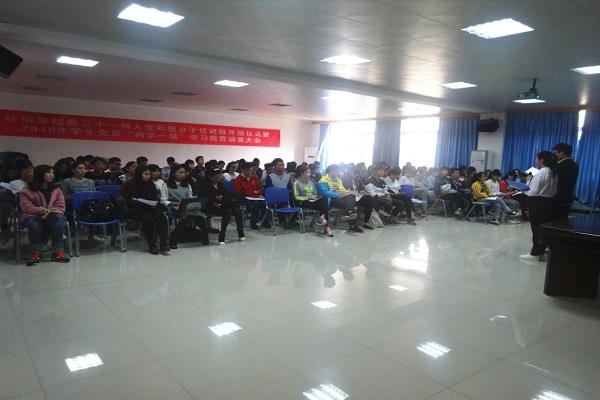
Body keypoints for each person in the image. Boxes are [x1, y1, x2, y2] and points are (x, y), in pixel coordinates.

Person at [19, 165, 70, 266]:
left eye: (53, 173)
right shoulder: (27, 190)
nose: (52, 175)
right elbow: (26, 207)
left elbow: (61, 205)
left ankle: (58, 252)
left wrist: (54, 210)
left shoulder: (56, 189)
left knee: (58, 224)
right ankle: (35, 253)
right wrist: (42, 210)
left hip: (52, 215)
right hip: (32, 215)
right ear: (40, 174)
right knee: (34, 225)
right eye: (49, 173)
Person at [122, 164, 169, 255]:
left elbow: (155, 197)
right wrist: (138, 201)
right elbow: (126, 200)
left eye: (149, 175)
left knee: (162, 218)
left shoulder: (150, 184)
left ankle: (163, 244)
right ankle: (152, 245)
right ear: (139, 174)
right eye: (146, 174)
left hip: (151, 207)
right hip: (136, 209)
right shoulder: (129, 184)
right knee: (148, 219)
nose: (148, 177)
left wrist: (155, 202)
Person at [520, 151, 559, 261]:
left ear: (541, 160)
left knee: (536, 228)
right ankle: (542, 248)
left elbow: (533, 192)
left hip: (537, 203)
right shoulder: (553, 172)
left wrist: (525, 187)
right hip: (548, 202)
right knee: (543, 228)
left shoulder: (541, 173)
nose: (536, 160)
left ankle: (536, 252)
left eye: (537, 158)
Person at [197, 167, 245, 245]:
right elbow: (202, 198)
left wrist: (224, 197)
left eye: (219, 177)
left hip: (222, 204)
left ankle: (241, 233)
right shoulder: (204, 185)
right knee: (227, 211)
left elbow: (226, 194)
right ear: (210, 177)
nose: (218, 179)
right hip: (211, 204)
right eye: (216, 177)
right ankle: (222, 235)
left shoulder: (220, 184)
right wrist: (215, 198)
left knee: (237, 210)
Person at [166, 164, 208, 248]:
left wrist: (193, 201)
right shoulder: (166, 185)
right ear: (174, 173)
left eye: (184, 172)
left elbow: (190, 198)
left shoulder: (187, 185)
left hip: (186, 206)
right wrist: (175, 203)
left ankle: (205, 238)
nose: (183, 174)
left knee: (200, 217)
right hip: (173, 206)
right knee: (187, 217)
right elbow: (164, 200)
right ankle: (173, 239)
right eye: (180, 173)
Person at [319, 164, 363, 233]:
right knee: (351, 204)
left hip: (340, 198)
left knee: (351, 196)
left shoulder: (338, 179)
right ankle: (352, 223)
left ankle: (349, 214)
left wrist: (348, 192)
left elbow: (342, 189)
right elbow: (325, 193)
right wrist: (338, 194)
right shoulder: (323, 180)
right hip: (330, 199)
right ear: (331, 171)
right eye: (337, 171)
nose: (339, 173)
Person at [293, 165, 333, 237]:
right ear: (302, 174)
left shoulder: (311, 183)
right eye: (308, 172)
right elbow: (296, 197)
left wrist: (316, 197)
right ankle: (326, 227)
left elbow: (315, 193)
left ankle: (322, 218)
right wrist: (308, 197)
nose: (310, 174)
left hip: (312, 201)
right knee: (324, 207)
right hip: (303, 202)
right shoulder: (296, 183)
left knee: (324, 199)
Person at [553, 143, 579, 220]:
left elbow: (558, 183)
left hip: (557, 198)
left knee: (554, 221)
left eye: (556, 153)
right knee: (563, 220)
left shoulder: (561, 166)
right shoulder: (574, 164)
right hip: (567, 197)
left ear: (562, 153)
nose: (555, 155)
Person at [234, 162, 264, 230]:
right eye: (247, 171)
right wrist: (253, 193)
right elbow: (240, 192)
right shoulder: (238, 179)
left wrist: (258, 193)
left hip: (256, 197)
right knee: (255, 204)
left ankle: (264, 221)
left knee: (265, 204)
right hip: (245, 199)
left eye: (250, 170)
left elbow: (261, 188)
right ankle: (253, 222)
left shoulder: (254, 177)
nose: (249, 172)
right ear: (242, 170)